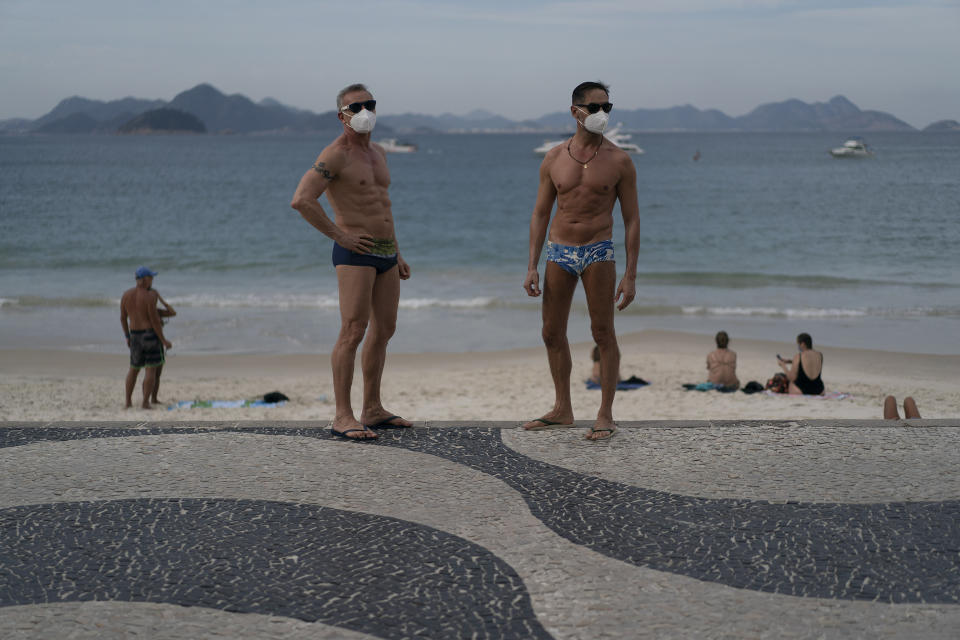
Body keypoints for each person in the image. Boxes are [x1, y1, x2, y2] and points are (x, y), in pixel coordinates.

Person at [290, 83, 412, 441]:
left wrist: (399, 253)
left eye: (369, 104)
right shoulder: (335, 154)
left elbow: (383, 209)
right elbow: (302, 200)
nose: (364, 111)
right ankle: (342, 415)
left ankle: (371, 408)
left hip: (387, 252)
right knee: (353, 330)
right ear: (341, 115)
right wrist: (340, 236)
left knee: (384, 330)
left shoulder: (379, 153)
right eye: (355, 106)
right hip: (355, 253)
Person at [522, 81, 640, 440]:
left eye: (608, 107)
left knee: (603, 332)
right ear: (575, 112)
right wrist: (531, 264)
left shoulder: (619, 160)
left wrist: (631, 275)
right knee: (551, 331)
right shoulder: (554, 158)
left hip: (598, 250)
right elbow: (541, 213)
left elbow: (632, 219)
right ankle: (562, 409)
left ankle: (605, 413)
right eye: (595, 108)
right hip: (559, 250)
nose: (602, 114)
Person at [120, 266, 173, 409]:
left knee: (134, 368)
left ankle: (128, 402)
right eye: (151, 278)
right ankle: (145, 402)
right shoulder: (150, 296)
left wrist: (127, 336)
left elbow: (123, 318)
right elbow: (155, 320)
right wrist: (164, 341)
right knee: (151, 369)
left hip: (135, 336)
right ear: (144, 280)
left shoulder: (126, 295)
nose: (152, 280)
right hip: (150, 335)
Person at [150, 290, 177, 404]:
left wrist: (161, 300)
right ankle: (151, 399)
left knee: (156, 373)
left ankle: (153, 398)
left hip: (157, 342)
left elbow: (172, 312)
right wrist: (164, 341)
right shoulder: (152, 312)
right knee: (152, 372)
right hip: (155, 342)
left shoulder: (157, 311)